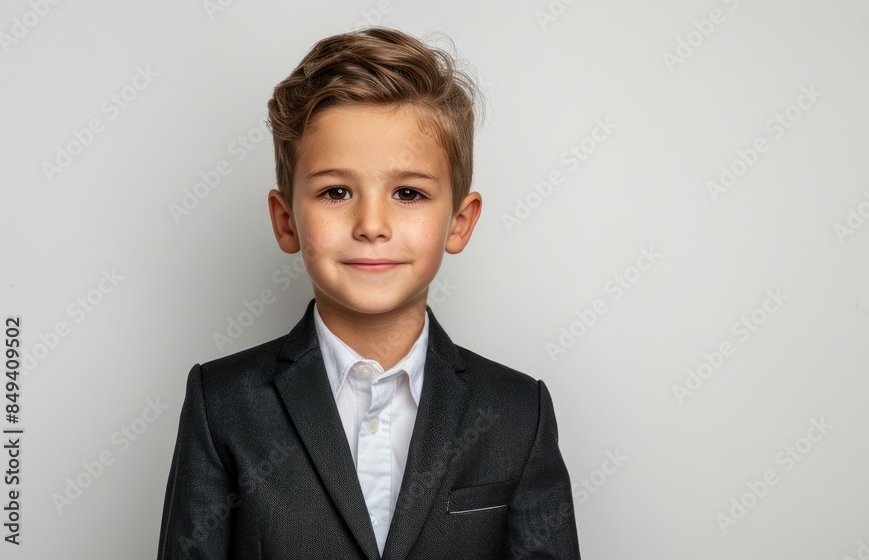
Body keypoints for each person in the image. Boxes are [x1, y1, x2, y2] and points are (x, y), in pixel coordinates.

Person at [157, 26, 580, 559]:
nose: (372, 224)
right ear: (286, 221)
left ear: (459, 221)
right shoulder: (222, 403)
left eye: (408, 193)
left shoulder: (519, 412)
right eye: (336, 191)